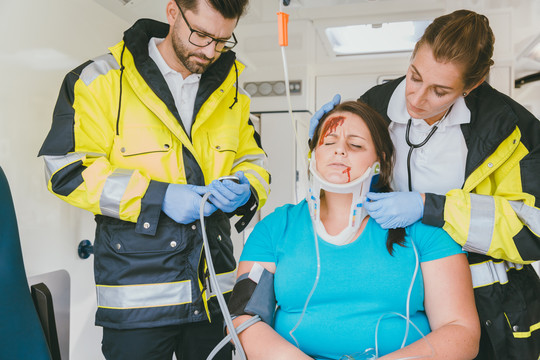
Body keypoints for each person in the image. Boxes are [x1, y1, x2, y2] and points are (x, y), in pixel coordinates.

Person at [38, 0, 270, 359]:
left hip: (214, 297)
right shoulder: (99, 79)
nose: (211, 51)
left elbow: (253, 160)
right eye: (201, 34)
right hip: (137, 302)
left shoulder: (232, 91)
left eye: (223, 40)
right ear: (173, 12)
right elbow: (66, 169)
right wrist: (158, 197)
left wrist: (246, 186)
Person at [311, 10, 540, 360]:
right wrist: (321, 143)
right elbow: (343, 179)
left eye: (440, 91)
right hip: (397, 292)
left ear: (471, 86)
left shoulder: (511, 129)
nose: (416, 98)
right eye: (414, 77)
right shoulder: (374, 105)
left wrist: (432, 207)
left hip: (489, 303)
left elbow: (531, 228)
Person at [228, 101, 480, 360]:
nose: (339, 151)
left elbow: (461, 332)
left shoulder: (423, 229)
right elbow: (242, 317)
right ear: (313, 154)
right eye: (328, 142)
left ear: (380, 161)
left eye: (355, 145)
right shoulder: (275, 227)